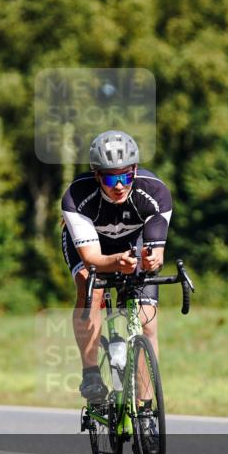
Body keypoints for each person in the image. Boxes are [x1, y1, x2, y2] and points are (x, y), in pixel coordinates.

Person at [60, 130, 173, 404]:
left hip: (133, 243)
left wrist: (151, 260)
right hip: (92, 249)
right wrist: (116, 263)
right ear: (97, 175)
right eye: (111, 177)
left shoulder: (155, 192)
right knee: (91, 287)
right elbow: (91, 258)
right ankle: (90, 373)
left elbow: (156, 252)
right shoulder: (77, 197)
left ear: (135, 170)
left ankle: (145, 407)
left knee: (148, 320)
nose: (120, 185)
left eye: (126, 176)